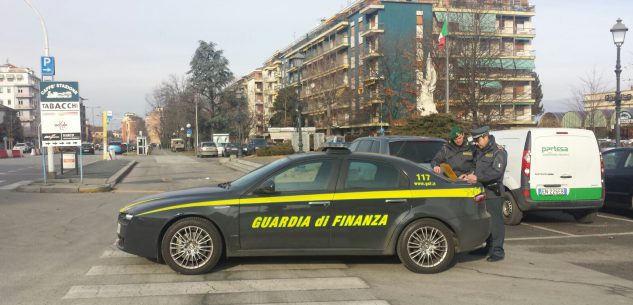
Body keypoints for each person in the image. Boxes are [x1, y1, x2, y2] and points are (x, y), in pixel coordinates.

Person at [463, 126, 507, 262]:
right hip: (481, 191)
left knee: (495, 222)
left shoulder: (499, 151)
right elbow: (475, 167)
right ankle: (488, 247)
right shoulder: (479, 151)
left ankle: (498, 251)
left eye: (477, 140)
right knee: (485, 221)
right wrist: (469, 174)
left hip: (493, 192)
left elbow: (496, 172)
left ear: (485, 136)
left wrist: (477, 178)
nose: (475, 143)